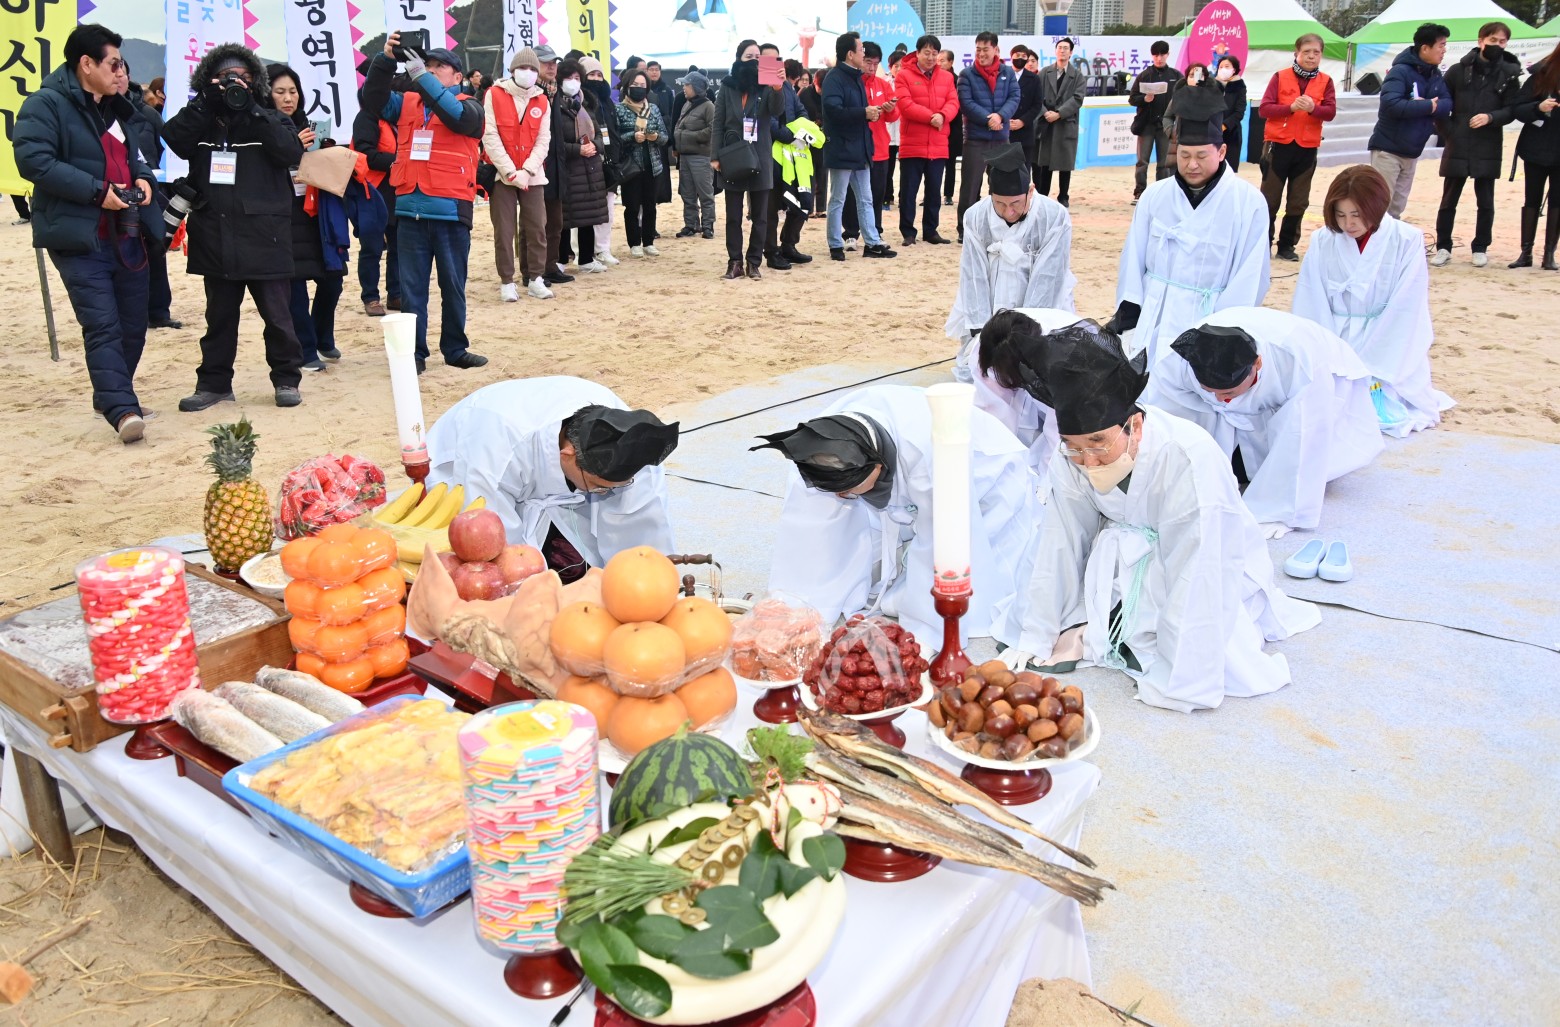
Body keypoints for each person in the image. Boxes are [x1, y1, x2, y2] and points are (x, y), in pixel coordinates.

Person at [998, 324, 1320, 713]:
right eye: (1074, 447)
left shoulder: (1187, 457)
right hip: (1122, 557)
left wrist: (1182, 677)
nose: (1088, 461)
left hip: (1206, 555)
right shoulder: (1072, 459)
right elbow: (1059, 539)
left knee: (1188, 631)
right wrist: (1037, 632)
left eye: (1098, 443)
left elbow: (1200, 566)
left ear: (1134, 426)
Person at [755, 384, 1041, 644]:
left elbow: (939, 538)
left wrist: (927, 629)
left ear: (878, 467)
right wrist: (801, 605)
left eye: (849, 489)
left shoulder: (929, 457)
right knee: (854, 560)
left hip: (987, 479)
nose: (841, 496)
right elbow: (810, 528)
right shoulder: (818, 445)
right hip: (914, 474)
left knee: (961, 582)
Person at [15, 23, 159, 441]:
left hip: (126, 233)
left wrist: (144, 178)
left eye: (122, 65)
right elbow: (34, 161)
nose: (121, 72)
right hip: (78, 236)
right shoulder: (45, 104)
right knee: (102, 324)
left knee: (133, 323)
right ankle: (122, 409)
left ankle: (111, 394)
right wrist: (98, 192)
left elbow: (135, 156)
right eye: (113, 64)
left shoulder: (116, 107)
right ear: (86, 64)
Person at [1141, 307, 1383, 535]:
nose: (1220, 399)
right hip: (1230, 408)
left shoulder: (1298, 365)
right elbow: (1167, 415)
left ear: (1257, 364)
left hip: (1324, 373)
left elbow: (1302, 434)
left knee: (1300, 456)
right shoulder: (1180, 362)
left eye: (1228, 392)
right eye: (1210, 391)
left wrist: (1278, 508)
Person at [163, 43, 307, 411]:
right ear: (207, 80)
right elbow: (174, 138)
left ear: (256, 81)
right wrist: (205, 102)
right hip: (215, 234)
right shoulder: (201, 118)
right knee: (219, 318)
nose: (234, 83)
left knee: (278, 317)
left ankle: (287, 379)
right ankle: (213, 385)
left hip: (265, 235)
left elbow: (290, 151)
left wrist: (253, 106)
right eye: (225, 77)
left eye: (243, 77)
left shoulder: (270, 118)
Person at [426, 377, 679, 580]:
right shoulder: (495, 451)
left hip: (550, 482)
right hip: (465, 465)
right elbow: (492, 540)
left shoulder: (632, 443)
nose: (604, 493)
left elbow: (645, 530)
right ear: (567, 455)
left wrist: (649, 580)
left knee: (579, 571)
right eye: (598, 487)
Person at [1109, 94, 1270, 366]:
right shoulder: (1156, 195)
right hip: (1155, 314)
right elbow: (1133, 257)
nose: (1191, 164)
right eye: (1184, 155)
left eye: (1201, 156)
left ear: (1221, 152)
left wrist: (1225, 330)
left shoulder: (1247, 202)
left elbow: (1251, 274)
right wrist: (1130, 309)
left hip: (1208, 318)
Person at [1293, 165, 1453, 436]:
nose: (1349, 224)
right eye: (1340, 215)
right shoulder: (1322, 239)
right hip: (1337, 335)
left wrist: (1373, 363)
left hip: (1385, 334)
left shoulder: (1406, 239)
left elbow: (1407, 305)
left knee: (1379, 399)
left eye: (1357, 214)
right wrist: (1328, 353)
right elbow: (1311, 298)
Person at [362, 33, 488, 375]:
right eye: (426, 65)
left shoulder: (471, 106)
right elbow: (372, 99)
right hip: (409, 210)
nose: (429, 70)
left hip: (450, 210)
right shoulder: (408, 103)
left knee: (453, 287)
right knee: (411, 290)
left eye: (438, 67)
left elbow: (454, 114)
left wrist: (418, 73)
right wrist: (385, 60)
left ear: (457, 76)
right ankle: (414, 354)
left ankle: (455, 349)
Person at [947, 143, 1076, 368]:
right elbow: (973, 274)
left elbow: (1048, 277)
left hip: (1039, 303)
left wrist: (1026, 333)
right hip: (992, 295)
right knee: (981, 366)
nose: (1009, 211)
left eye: (1016, 203)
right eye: (1000, 204)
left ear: (1030, 191)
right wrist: (982, 331)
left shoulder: (1054, 216)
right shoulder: (975, 216)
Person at [267, 64, 346, 374]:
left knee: (333, 278)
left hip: (317, 213)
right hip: (284, 216)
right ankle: (306, 349)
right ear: (267, 94)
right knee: (295, 285)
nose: (288, 98)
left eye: (293, 91)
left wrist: (327, 152)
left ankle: (323, 336)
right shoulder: (263, 128)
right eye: (280, 92)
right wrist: (293, 147)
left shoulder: (310, 125)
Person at [1432, 23, 1520, 268]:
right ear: (1481, 41)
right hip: (1458, 142)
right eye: (1492, 40)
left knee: (1486, 201)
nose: (1497, 45)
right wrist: (1450, 133)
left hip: (1488, 143)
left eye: (1502, 41)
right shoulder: (1457, 71)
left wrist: (1491, 117)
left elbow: (1512, 109)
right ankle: (1443, 246)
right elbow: (1442, 106)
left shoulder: (1510, 73)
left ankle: (1480, 247)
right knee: (1448, 200)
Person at [967, 306, 1082, 489]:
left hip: (1070, 375)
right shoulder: (984, 351)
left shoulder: (1065, 359)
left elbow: (1059, 435)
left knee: (1061, 462)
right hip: (1020, 361)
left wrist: (1044, 491)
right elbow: (992, 420)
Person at [483, 48, 554, 302]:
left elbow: (543, 140)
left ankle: (535, 278)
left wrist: (528, 170)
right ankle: (506, 281)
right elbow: (489, 135)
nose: (529, 72)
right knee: (504, 230)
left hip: (533, 174)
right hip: (502, 173)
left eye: (533, 69)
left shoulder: (542, 100)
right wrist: (510, 171)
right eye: (524, 68)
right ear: (512, 70)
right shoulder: (494, 94)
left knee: (537, 227)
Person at [1258, 34, 1336, 261]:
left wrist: (1313, 109)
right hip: (1277, 146)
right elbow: (1264, 109)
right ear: (1296, 53)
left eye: (1316, 52)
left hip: (1307, 148)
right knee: (1269, 199)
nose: (1311, 56)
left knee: (1298, 201)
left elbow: (1330, 112)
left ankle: (1286, 246)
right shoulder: (1280, 77)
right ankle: (1263, 244)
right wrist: (1290, 108)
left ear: (1321, 55)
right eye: (1306, 52)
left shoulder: (1326, 81)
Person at [712, 41, 785, 278]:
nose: (753, 60)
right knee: (733, 216)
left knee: (760, 216)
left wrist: (777, 88)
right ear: (738, 58)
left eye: (757, 56)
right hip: (733, 155)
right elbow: (718, 122)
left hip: (761, 156)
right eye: (748, 56)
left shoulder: (767, 83)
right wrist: (715, 156)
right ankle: (735, 262)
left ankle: (754, 262)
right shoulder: (727, 86)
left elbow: (777, 111)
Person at [822, 32, 895, 262]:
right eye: (861, 50)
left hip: (861, 147)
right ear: (850, 54)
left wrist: (873, 113)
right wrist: (864, 113)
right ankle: (835, 244)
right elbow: (833, 111)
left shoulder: (856, 77)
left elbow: (857, 112)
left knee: (866, 198)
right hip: (842, 148)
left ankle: (872, 242)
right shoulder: (834, 78)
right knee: (838, 199)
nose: (864, 54)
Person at [119, 59, 180, 331]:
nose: (117, 76)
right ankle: (131, 313)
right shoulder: (96, 114)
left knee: (156, 249)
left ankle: (158, 312)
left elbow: (165, 148)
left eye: (121, 70)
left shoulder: (147, 113)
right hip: (112, 195)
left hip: (150, 191)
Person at [1367, 23, 1453, 220]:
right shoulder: (1400, 71)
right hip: (1388, 150)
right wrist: (1427, 106)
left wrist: (1430, 106)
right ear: (1425, 48)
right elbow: (1391, 104)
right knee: (1380, 206)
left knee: (1397, 208)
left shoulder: (1435, 74)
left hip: (1412, 151)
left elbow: (1447, 103)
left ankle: (1391, 239)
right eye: (1441, 45)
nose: (1444, 50)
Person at [895, 33, 958, 246]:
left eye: (934, 53)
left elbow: (953, 102)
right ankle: (908, 232)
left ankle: (931, 231)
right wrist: (932, 117)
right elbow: (905, 104)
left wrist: (943, 115)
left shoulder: (947, 77)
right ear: (918, 53)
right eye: (926, 53)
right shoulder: (904, 75)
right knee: (909, 192)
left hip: (938, 144)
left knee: (934, 191)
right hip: (913, 143)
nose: (931, 57)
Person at [955, 32, 1019, 243]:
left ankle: (1000, 227)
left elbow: (1014, 97)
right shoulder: (967, 74)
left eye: (985, 49)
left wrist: (1000, 116)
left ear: (996, 50)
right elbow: (966, 103)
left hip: (1001, 137)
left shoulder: (1007, 73)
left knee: (1002, 186)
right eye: (978, 50)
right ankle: (965, 229)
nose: (981, 54)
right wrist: (988, 119)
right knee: (970, 187)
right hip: (976, 139)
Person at [553, 59, 611, 279]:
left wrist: (594, 146)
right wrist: (577, 149)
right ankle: (560, 259)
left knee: (588, 215)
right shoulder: (554, 105)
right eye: (569, 78)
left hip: (590, 169)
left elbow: (599, 133)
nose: (573, 82)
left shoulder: (586, 103)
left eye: (577, 78)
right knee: (564, 217)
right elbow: (554, 141)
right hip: (568, 168)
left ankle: (586, 259)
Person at [840, 41, 900, 249]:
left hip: (880, 147)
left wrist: (890, 108)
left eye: (875, 64)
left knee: (876, 193)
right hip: (856, 147)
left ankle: (875, 232)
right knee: (852, 193)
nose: (872, 68)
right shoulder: (851, 84)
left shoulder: (883, 85)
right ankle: (850, 233)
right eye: (868, 62)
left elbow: (893, 116)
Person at [352, 65, 399, 317]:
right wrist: (398, 161)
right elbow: (365, 153)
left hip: (396, 190)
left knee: (398, 246)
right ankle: (370, 297)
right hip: (371, 191)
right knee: (371, 247)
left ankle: (396, 294)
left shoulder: (395, 119)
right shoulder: (365, 118)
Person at [1510, 39, 1560, 270]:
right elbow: (1518, 109)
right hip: (1536, 147)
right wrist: (1538, 108)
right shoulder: (1541, 75)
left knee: (1557, 201)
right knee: (1532, 198)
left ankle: (1549, 254)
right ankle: (1526, 252)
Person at [764, 57, 813, 271]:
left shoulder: (788, 88)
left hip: (794, 154)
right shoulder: (762, 88)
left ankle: (788, 244)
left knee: (803, 199)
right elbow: (768, 121)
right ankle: (771, 251)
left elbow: (801, 111)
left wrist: (801, 131)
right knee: (771, 207)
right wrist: (790, 136)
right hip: (771, 153)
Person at [616, 66, 667, 259]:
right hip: (631, 167)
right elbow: (616, 139)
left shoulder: (653, 109)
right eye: (635, 84)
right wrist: (632, 136)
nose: (639, 88)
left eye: (642, 85)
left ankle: (649, 242)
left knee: (650, 205)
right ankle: (634, 243)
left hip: (653, 166)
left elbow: (665, 136)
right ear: (627, 86)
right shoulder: (619, 109)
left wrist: (655, 137)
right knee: (632, 206)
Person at [1035, 37, 1086, 207]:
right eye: (1059, 47)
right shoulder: (1045, 73)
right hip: (1047, 123)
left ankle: (1063, 196)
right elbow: (1036, 97)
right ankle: (1043, 196)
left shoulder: (1077, 76)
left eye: (1065, 48)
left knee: (1065, 163)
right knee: (1045, 163)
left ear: (1071, 53)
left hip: (1065, 123)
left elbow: (1077, 99)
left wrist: (1059, 113)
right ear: (1055, 51)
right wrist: (1045, 112)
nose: (1062, 51)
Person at [581, 57, 623, 265]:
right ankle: (582, 252)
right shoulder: (580, 101)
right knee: (587, 210)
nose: (596, 79)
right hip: (588, 159)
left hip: (610, 162)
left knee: (608, 208)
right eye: (591, 74)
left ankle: (603, 248)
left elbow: (613, 131)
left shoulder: (608, 101)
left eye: (599, 75)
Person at [1127, 41, 1181, 202]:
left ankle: (1161, 193)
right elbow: (1132, 99)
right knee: (1142, 161)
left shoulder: (1176, 75)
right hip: (1146, 125)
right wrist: (1144, 99)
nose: (1159, 58)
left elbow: (1184, 96)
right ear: (1152, 56)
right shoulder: (1144, 75)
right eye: (1156, 55)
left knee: (1164, 162)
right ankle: (1140, 192)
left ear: (1168, 55)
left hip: (1166, 125)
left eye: (1162, 54)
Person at [674, 70, 717, 240]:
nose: (684, 88)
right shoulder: (687, 104)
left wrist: (688, 136)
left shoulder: (709, 106)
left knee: (705, 193)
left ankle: (708, 226)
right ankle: (691, 225)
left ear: (696, 87)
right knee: (687, 193)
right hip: (685, 156)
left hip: (701, 156)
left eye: (687, 84)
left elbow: (713, 130)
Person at [646, 60, 676, 227]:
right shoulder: (643, 88)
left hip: (662, 137)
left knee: (661, 176)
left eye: (656, 69)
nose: (654, 72)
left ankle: (658, 202)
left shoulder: (667, 90)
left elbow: (671, 112)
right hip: (645, 137)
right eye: (651, 69)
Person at [1008, 44, 1041, 177]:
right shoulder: (1003, 74)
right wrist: (1004, 119)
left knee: (1023, 172)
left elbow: (1037, 105)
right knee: (1001, 171)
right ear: (1011, 57)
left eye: (1024, 56)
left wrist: (1022, 121)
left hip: (1024, 132)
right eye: (1017, 55)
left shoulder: (1034, 79)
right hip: (1004, 130)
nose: (1020, 58)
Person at [939, 50, 962, 208]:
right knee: (933, 164)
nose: (939, 63)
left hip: (953, 127)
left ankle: (948, 194)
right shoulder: (933, 78)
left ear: (951, 62)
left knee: (950, 163)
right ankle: (930, 194)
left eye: (942, 60)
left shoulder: (957, 80)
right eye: (938, 60)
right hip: (936, 125)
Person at [1215, 55, 1246, 172]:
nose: (1223, 69)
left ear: (1234, 69)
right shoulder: (1212, 85)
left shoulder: (1240, 86)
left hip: (1232, 134)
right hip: (1212, 132)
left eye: (1227, 66)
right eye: (1221, 67)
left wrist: (1224, 125)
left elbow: (1239, 112)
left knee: (1229, 170)